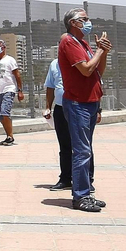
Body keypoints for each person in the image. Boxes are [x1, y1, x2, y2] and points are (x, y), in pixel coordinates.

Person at [58, 8, 110, 212]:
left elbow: (98, 70)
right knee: (82, 151)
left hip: (90, 102)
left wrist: (102, 51)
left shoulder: (83, 44)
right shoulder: (69, 42)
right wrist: (98, 51)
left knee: (86, 150)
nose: (88, 22)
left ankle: (86, 192)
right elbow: (86, 70)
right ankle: (80, 196)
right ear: (73, 23)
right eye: (84, 19)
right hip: (78, 103)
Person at [42, 58, 71, 191]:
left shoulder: (83, 59)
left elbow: (96, 83)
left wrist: (98, 110)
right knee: (64, 145)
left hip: (78, 107)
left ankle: (87, 179)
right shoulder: (54, 63)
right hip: (60, 107)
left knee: (82, 146)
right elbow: (50, 86)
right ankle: (65, 179)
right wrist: (48, 107)